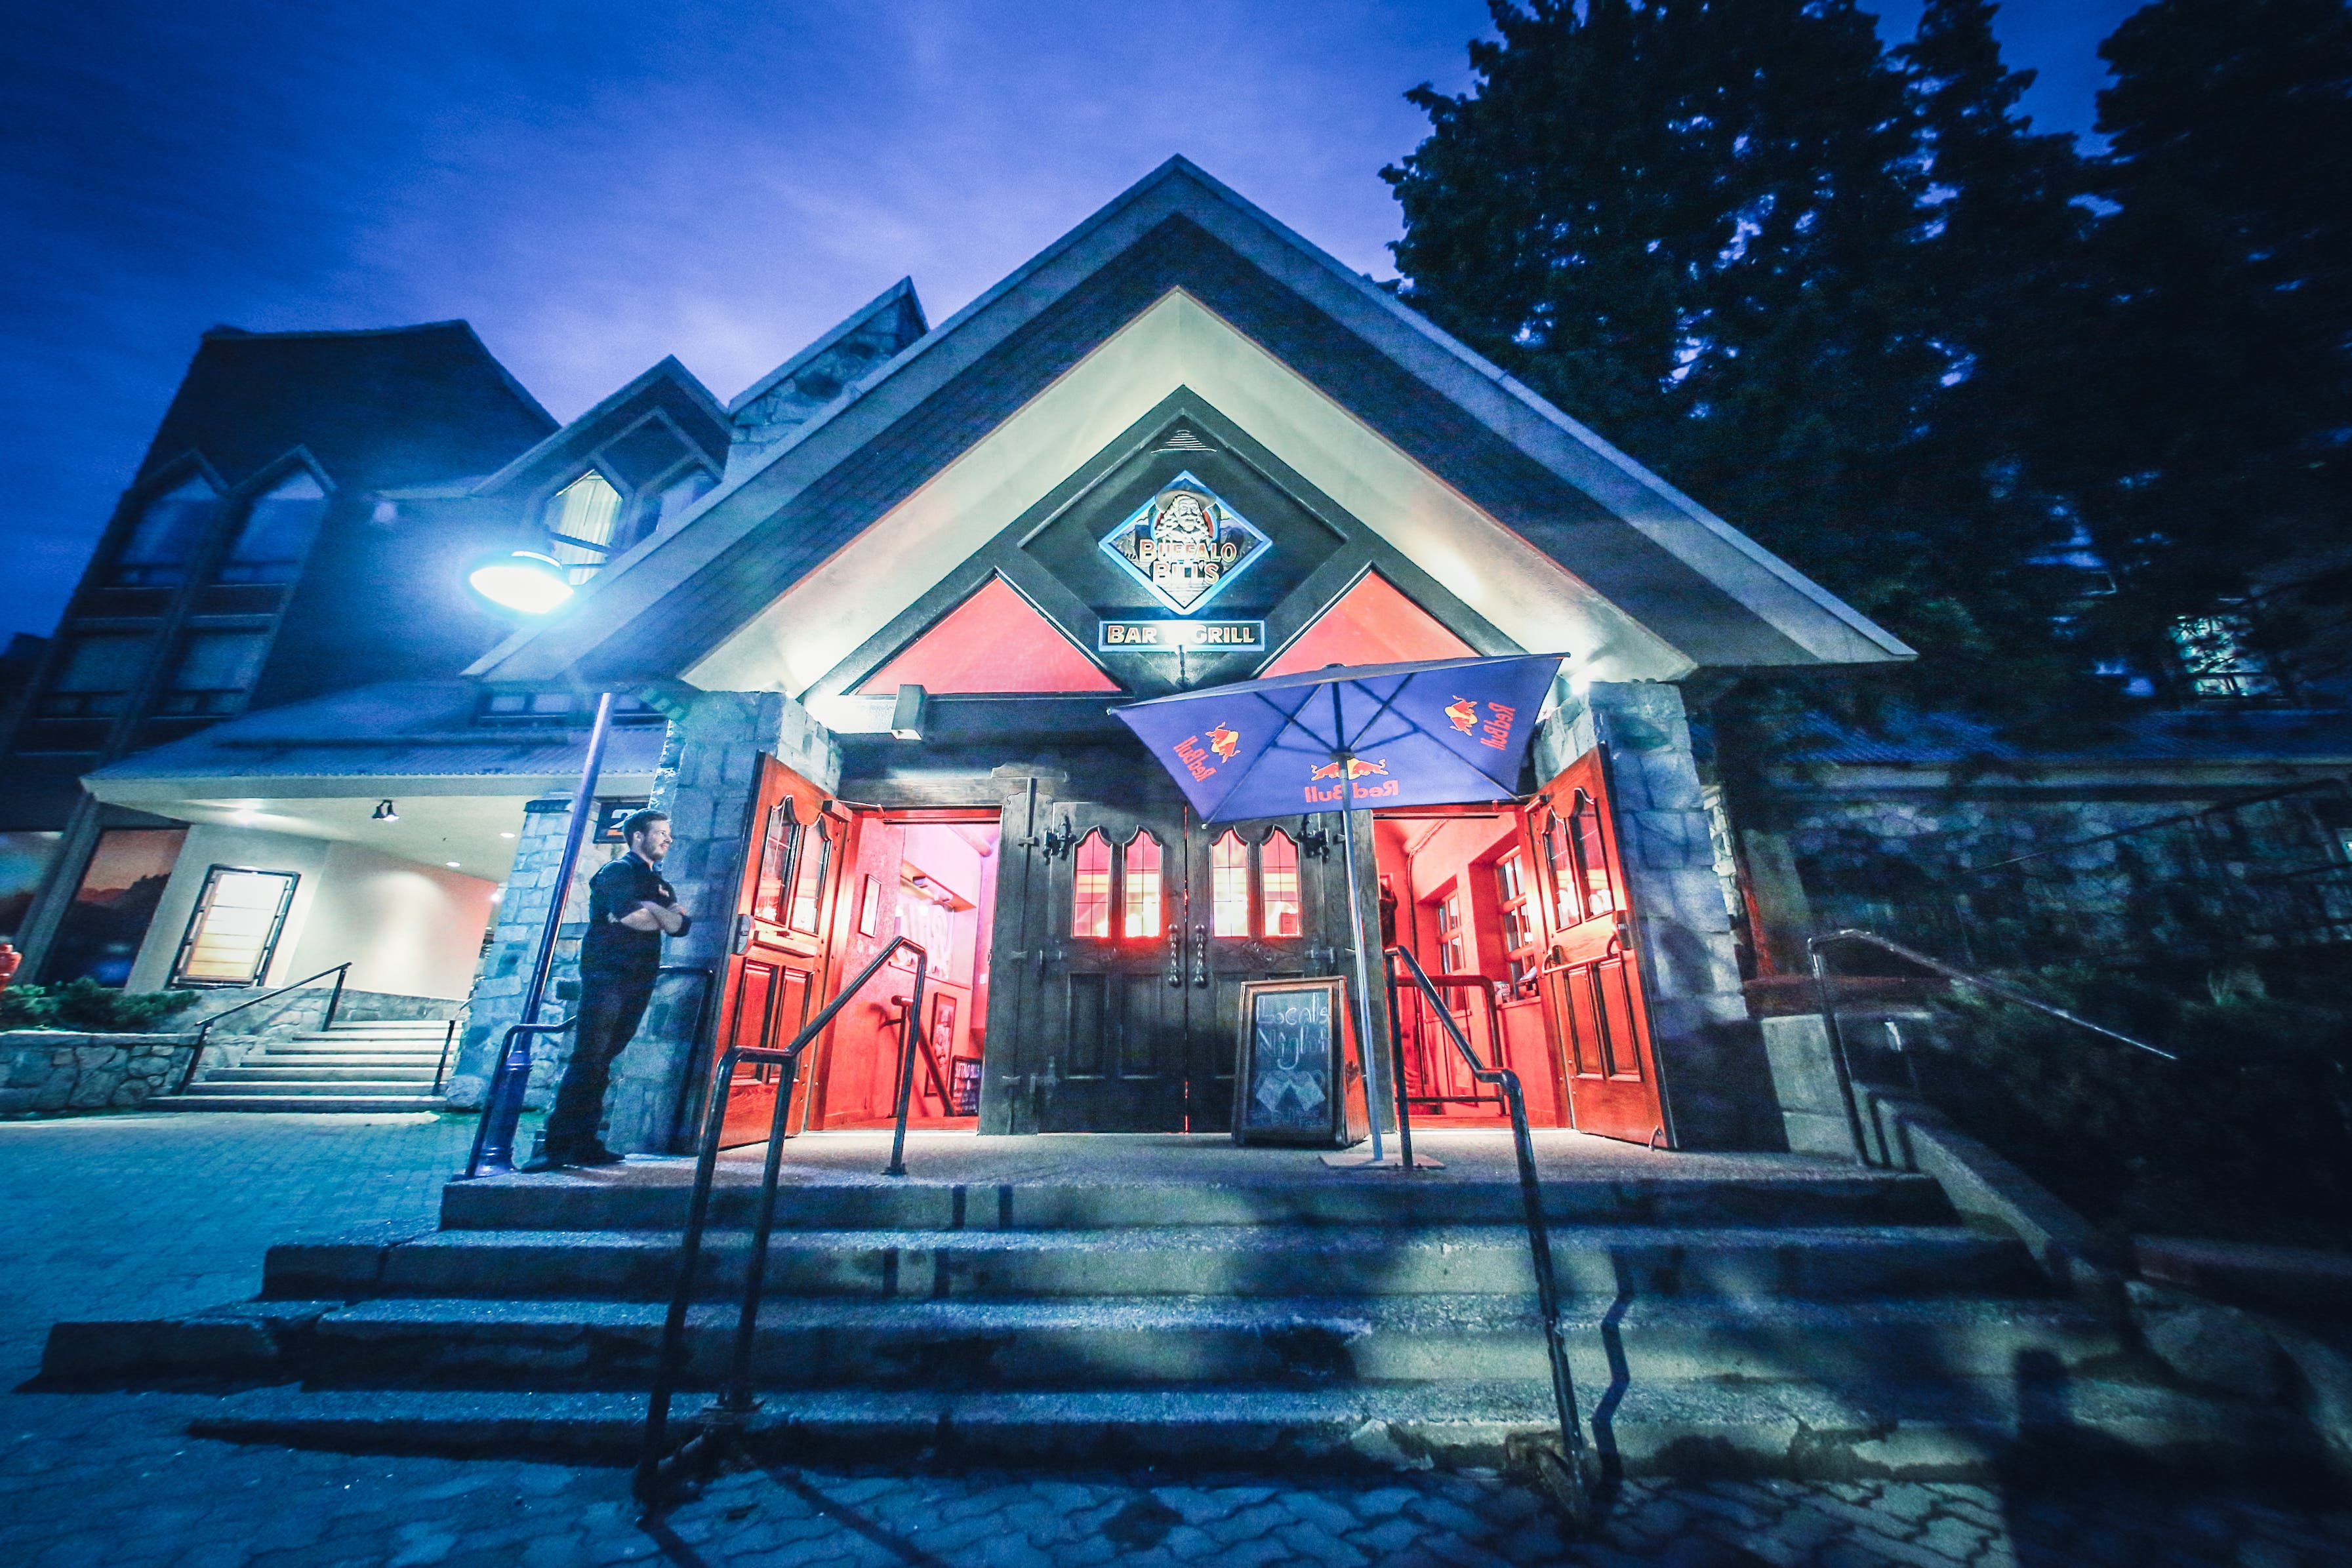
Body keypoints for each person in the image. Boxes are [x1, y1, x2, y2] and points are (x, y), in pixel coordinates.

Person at [537, 809, 691, 1168]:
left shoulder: (659, 884)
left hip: (640, 976)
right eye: (661, 833)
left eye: (669, 833)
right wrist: (656, 914)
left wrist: (654, 908)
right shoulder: (618, 872)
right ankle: (558, 1146)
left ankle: (585, 1142)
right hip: (607, 975)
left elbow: (681, 926)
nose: (668, 839)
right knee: (589, 1057)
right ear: (638, 836)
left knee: (604, 1059)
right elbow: (634, 919)